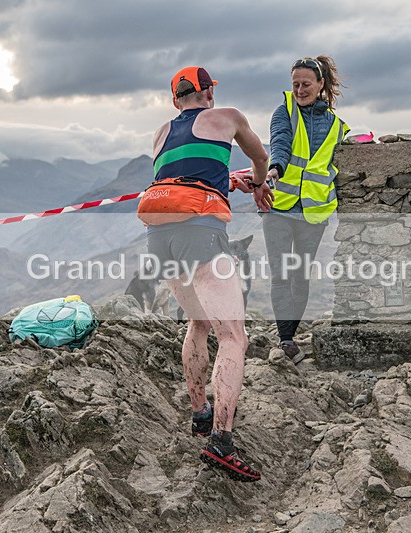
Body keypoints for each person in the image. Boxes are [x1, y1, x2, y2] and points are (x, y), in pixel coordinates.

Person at [146, 66, 273, 482]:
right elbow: (260, 157)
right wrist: (256, 184)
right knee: (234, 335)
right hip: (201, 234)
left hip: (160, 237)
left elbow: (188, 174)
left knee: (198, 322)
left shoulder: (162, 132)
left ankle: (200, 413)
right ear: (209, 94)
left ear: (175, 99)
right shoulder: (229, 117)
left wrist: (224, 182)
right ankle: (221, 440)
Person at [262, 55, 349, 363]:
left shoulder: (337, 126)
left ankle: (291, 333)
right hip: (279, 206)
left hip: (314, 211)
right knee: (281, 274)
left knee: (301, 275)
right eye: (295, 84)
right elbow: (280, 142)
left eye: (306, 84)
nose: (299, 90)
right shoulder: (283, 111)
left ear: (321, 84)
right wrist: (275, 167)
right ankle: (286, 339)